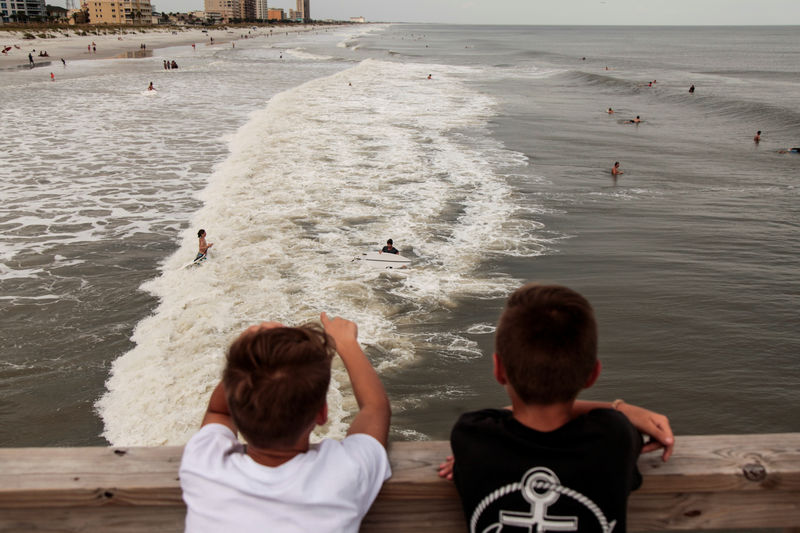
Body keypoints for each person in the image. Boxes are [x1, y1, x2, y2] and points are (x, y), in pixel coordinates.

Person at [438, 283, 674, 533]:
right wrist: (622, 408)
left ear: (498, 369)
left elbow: (499, 420)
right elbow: (615, 420)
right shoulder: (614, 438)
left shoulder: (472, 437)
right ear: (592, 375)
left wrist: (469, 455)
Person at [179, 313, 392, 533]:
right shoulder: (344, 473)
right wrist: (347, 344)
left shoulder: (204, 465)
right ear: (322, 413)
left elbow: (218, 411)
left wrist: (247, 355)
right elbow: (374, 408)